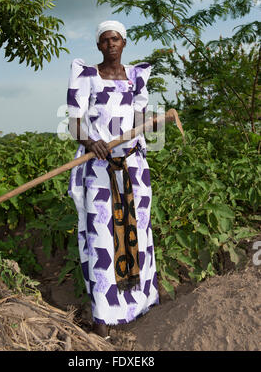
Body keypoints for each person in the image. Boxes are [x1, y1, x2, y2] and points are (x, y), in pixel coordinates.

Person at [67, 20, 175, 339]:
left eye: (116, 39)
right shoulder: (86, 75)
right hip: (99, 168)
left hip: (132, 166)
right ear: (98, 46)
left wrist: (144, 129)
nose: (111, 44)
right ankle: (103, 315)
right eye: (105, 40)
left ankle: (139, 303)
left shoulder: (137, 76)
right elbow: (73, 122)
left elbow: (139, 113)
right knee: (103, 235)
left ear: (124, 43)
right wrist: (90, 143)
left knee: (137, 232)